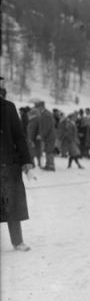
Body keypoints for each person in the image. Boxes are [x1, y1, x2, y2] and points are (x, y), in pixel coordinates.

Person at [1, 94, 34, 251]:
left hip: (8, 164)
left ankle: (17, 241)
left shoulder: (8, 107)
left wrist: (26, 160)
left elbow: (19, 137)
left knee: (12, 204)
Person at [28, 100, 56, 171]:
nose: (36, 109)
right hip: (48, 136)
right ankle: (48, 165)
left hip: (49, 136)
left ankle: (50, 166)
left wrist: (41, 135)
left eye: (37, 107)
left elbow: (46, 127)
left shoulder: (46, 114)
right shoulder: (43, 113)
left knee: (49, 151)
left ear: (42, 106)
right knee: (47, 150)